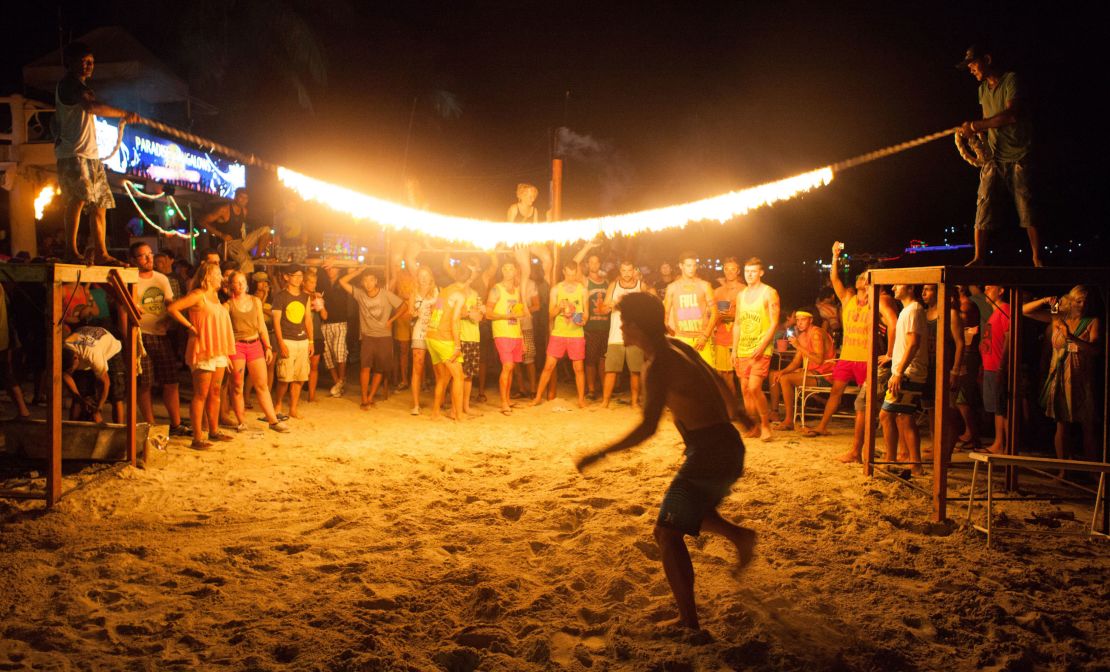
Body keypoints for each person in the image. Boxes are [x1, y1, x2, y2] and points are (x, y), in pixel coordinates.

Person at [576, 292, 756, 633]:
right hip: (723, 446)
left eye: (625, 324)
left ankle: (689, 622)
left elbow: (647, 427)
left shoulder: (658, 365)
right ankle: (739, 537)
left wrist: (601, 453)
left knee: (666, 533)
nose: (622, 330)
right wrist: (739, 413)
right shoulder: (678, 346)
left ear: (637, 326)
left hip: (710, 452)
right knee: (694, 509)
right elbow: (716, 380)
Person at [956, 45, 1042, 267]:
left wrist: (976, 125)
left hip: (1019, 153)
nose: (971, 69)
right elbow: (988, 122)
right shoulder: (982, 90)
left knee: (1025, 204)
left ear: (987, 59)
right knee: (984, 200)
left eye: (973, 64)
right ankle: (979, 257)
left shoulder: (1011, 80)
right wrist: (972, 134)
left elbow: (1011, 115)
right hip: (994, 155)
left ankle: (1037, 257)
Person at [54, 42, 139, 265]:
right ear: (71, 63)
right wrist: (124, 113)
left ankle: (101, 252)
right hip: (74, 153)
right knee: (78, 199)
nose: (88, 65)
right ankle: (71, 251)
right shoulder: (69, 85)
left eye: (91, 62)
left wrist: (124, 115)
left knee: (100, 204)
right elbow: (92, 107)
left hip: (90, 155)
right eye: (83, 61)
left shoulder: (81, 86)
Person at [1023, 286, 1101, 464]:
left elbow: (1095, 350)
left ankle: (1093, 472)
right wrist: (1045, 300)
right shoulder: (1059, 317)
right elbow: (1024, 311)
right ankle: (1063, 469)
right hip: (1059, 377)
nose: (1083, 305)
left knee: (1087, 426)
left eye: (1086, 301)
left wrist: (1072, 338)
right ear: (1071, 301)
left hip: (1081, 378)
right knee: (1061, 424)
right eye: (1079, 301)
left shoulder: (1092, 321)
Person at [167, 262, 236, 449]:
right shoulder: (198, 294)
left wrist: (226, 354)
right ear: (208, 276)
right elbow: (172, 308)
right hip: (203, 348)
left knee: (215, 392)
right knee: (200, 394)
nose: (221, 276)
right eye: (219, 273)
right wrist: (190, 327)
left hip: (218, 350)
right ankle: (197, 437)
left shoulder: (215, 296)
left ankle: (213, 431)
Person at [129, 242, 187, 436]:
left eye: (150, 254)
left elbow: (170, 304)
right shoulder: (132, 280)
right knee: (144, 383)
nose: (148, 259)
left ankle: (176, 424)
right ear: (134, 259)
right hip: (141, 335)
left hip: (161, 335)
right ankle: (150, 425)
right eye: (142, 256)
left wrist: (172, 322)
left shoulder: (162, 279)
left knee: (171, 381)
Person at [224, 271, 288, 432]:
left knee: (262, 385)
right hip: (237, 345)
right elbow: (224, 331)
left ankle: (273, 420)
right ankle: (241, 421)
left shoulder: (255, 301)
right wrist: (225, 353)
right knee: (237, 385)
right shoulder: (227, 305)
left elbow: (262, 326)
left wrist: (267, 346)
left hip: (255, 344)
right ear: (231, 285)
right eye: (237, 282)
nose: (240, 285)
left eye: (242, 281)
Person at [880, 285, 929, 475]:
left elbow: (914, 343)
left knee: (887, 415)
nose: (893, 287)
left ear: (909, 287)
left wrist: (899, 371)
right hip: (907, 370)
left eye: (898, 284)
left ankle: (890, 460)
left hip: (908, 372)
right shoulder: (908, 310)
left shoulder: (914, 310)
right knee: (905, 417)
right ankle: (914, 463)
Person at [340, 268, 405, 410]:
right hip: (367, 336)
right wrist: (358, 271)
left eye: (371, 280)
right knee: (365, 367)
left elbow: (403, 306)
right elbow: (342, 281)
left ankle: (370, 397)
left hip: (384, 336)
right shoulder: (360, 294)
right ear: (362, 283)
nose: (368, 283)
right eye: (365, 280)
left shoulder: (386, 294)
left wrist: (391, 320)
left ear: (376, 281)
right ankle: (364, 398)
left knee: (380, 369)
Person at [731, 258, 780, 442]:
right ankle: (754, 426)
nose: (749, 274)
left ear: (761, 272)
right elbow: (737, 323)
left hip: (761, 348)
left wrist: (762, 346)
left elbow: (774, 322)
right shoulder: (741, 295)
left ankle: (766, 425)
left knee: (754, 387)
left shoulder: (769, 293)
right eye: (747, 271)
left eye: (753, 271)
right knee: (745, 389)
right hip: (743, 347)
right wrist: (734, 349)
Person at [532, 260, 589, 408]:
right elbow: (550, 314)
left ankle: (581, 400)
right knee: (549, 366)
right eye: (568, 274)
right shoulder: (556, 289)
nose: (571, 277)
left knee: (579, 368)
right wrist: (559, 307)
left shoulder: (582, 289)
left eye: (573, 274)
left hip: (576, 334)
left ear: (577, 272)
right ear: (564, 272)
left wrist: (578, 317)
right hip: (559, 333)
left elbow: (586, 316)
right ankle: (538, 397)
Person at [769, 309, 834, 431]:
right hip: (811, 373)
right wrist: (781, 371)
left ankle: (789, 420)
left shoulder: (816, 334)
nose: (799, 323)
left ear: (811, 320)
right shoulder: (802, 336)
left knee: (785, 379)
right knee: (776, 375)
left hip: (824, 375)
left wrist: (798, 346)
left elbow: (818, 360)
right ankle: (775, 412)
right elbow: (795, 362)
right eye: (797, 320)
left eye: (803, 320)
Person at [425, 266, 469, 421]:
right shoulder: (460, 294)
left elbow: (435, 311)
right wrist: (457, 346)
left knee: (443, 378)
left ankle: (436, 413)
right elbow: (454, 321)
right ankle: (458, 416)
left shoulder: (445, 291)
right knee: (459, 376)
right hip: (444, 338)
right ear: (469, 279)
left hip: (431, 335)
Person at [601, 260, 645, 409]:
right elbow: (603, 309)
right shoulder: (614, 286)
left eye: (629, 270)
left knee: (635, 371)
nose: (626, 274)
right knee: (611, 369)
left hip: (635, 336)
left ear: (634, 271)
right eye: (624, 271)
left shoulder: (640, 286)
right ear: (620, 271)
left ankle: (634, 402)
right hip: (616, 334)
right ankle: (605, 402)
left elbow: (648, 308)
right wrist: (611, 305)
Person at [271, 265, 313, 419]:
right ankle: (279, 404)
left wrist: (311, 341)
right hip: (287, 339)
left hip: (302, 340)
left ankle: (293, 408)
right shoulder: (280, 297)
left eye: (301, 276)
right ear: (286, 277)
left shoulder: (305, 297)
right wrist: (280, 343)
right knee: (284, 377)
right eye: (295, 275)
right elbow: (276, 322)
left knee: (300, 377)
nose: (298, 278)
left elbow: (308, 320)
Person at [486, 256, 526, 415]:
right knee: (508, 366)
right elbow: (488, 313)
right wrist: (505, 316)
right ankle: (503, 403)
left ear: (516, 271)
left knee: (511, 368)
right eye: (506, 268)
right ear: (502, 270)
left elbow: (518, 315)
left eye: (511, 268)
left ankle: (508, 399)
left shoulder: (517, 291)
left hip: (515, 333)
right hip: (502, 332)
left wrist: (522, 337)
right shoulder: (496, 289)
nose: (509, 271)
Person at [663, 252, 717, 367]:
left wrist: (705, 336)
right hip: (682, 340)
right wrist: (673, 335)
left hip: (701, 339)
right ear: (681, 266)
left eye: (693, 265)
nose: (691, 269)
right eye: (688, 265)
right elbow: (665, 317)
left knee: (707, 379)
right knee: (684, 379)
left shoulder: (704, 285)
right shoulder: (672, 288)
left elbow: (715, 313)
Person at [61, 326, 123, 423]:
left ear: (75, 358)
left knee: (116, 395)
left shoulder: (92, 354)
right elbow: (65, 375)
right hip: (85, 343)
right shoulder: (65, 347)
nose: (72, 372)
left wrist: (98, 409)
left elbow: (106, 382)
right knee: (80, 394)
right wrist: (80, 399)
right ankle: (72, 430)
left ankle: (120, 432)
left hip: (111, 349)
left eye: (72, 369)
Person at [979, 285, 1010, 454]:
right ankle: (999, 443)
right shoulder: (994, 313)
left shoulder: (1006, 310)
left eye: (990, 288)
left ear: (1001, 290)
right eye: (985, 288)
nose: (986, 291)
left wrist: (1002, 366)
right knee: (997, 408)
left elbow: (1009, 338)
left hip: (998, 366)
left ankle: (1007, 445)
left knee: (1003, 408)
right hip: (990, 366)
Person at [710, 257, 744, 395]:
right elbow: (711, 313)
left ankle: (748, 411)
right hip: (722, 337)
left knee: (742, 376)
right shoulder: (717, 292)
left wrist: (733, 316)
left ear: (738, 271)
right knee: (724, 375)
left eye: (733, 269)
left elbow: (748, 314)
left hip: (739, 338)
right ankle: (730, 410)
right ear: (723, 270)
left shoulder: (744, 290)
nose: (729, 272)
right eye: (727, 269)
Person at [408, 265, 438, 415]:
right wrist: (414, 312)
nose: (424, 278)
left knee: (438, 367)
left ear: (431, 277)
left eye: (426, 275)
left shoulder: (437, 291)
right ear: (418, 277)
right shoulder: (413, 292)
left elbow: (441, 309)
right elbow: (409, 312)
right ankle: (416, 404)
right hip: (419, 330)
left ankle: (440, 402)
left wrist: (434, 311)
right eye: (421, 275)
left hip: (434, 331)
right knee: (417, 367)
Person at [319, 262, 351, 398]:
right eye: (329, 267)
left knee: (339, 352)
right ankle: (338, 383)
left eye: (334, 267)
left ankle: (340, 381)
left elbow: (355, 265)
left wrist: (335, 260)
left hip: (340, 322)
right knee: (327, 355)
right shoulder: (322, 283)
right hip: (325, 323)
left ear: (339, 268)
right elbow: (311, 262)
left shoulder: (343, 282)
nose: (331, 269)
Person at [583, 250, 612, 401]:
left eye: (597, 262)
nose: (594, 264)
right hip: (591, 327)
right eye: (591, 262)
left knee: (603, 360)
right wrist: (587, 247)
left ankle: (603, 387)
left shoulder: (607, 282)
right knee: (590, 360)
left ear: (600, 264)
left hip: (606, 327)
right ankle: (591, 390)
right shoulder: (585, 281)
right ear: (587, 264)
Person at [0, 283, 31, 418]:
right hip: (2, 337)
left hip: (2, 337)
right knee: (6, 374)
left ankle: (23, 411)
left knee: (6, 374)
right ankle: (23, 411)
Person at [199, 188, 251, 253]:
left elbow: (240, 228)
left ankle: (258, 258)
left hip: (239, 243)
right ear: (235, 197)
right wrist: (221, 235)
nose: (244, 200)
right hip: (225, 245)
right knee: (244, 260)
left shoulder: (244, 211)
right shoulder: (224, 210)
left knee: (265, 230)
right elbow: (202, 221)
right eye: (241, 197)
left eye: (246, 198)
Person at [304, 268, 327, 401]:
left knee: (314, 367)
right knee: (300, 367)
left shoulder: (317, 296)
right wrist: (310, 306)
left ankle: (311, 396)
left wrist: (319, 303)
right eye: (311, 282)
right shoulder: (300, 296)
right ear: (304, 283)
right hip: (303, 336)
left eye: (315, 282)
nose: (313, 285)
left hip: (316, 335)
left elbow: (325, 316)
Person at [274, 193, 308, 263]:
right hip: (283, 245)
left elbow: (304, 232)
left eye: (293, 204)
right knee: (283, 264)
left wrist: (303, 242)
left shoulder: (301, 216)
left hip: (298, 245)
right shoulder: (279, 216)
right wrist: (278, 243)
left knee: (298, 264)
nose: (291, 206)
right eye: (289, 204)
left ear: (296, 204)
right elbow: (277, 232)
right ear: (285, 204)